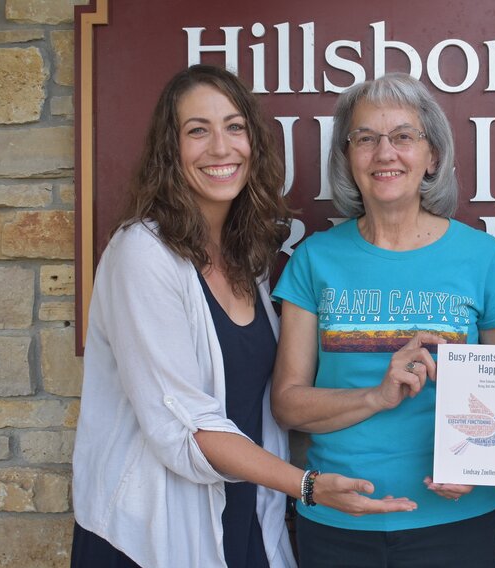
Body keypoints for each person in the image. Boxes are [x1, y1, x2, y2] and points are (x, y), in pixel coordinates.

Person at [70, 64, 416, 568]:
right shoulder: (140, 254)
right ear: (170, 151)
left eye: (234, 127)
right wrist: (307, 485)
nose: (220, 147)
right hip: (152, 535)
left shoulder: (242, 258)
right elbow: (183, 427)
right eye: (197, 131)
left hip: (245, 517)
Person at [270, 73, 495, 568]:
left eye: (403, 136)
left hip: (454, 518)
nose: (384, 152)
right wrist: (377, 395)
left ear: (432, 156)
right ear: (348, 159)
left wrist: (488, 469)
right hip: (338, 511)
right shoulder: (314, 259)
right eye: (365, 138)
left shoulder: (480, 256)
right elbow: (288, 405)